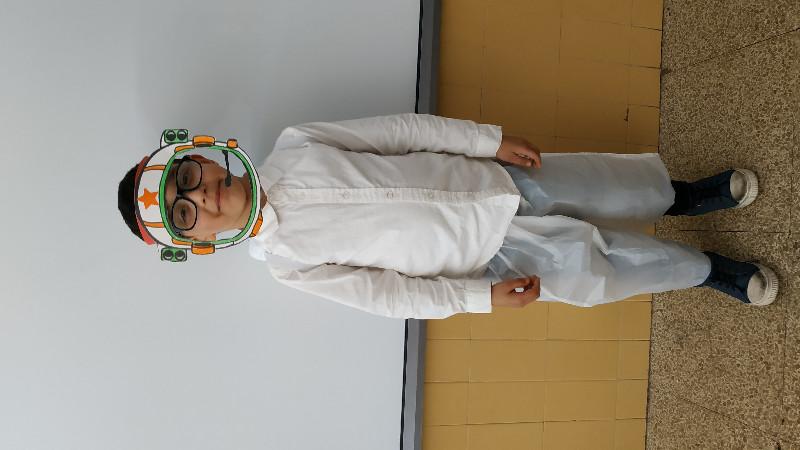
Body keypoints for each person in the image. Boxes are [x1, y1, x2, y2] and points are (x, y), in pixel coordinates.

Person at [117, 113, 779, 319]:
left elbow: (398, 132)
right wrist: (477, 299)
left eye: (189, 177)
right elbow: (386, 295)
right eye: (186, 212)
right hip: (484, 254)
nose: (203, 196)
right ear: (196, 239)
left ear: (202, 157)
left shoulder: (296, 144)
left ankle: (685, 196)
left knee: (608, 185)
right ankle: (704, 269)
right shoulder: (289, 263)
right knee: (604, 267)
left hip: (492, 177)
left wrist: (486, 143)